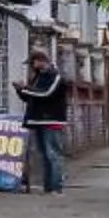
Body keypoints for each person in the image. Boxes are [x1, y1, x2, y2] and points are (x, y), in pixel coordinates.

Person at [14, 51, 72, 193]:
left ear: (40, 61)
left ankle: (56, 187)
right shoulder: (37, 77)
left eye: (32, 63)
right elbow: (31, 97)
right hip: (37, 120)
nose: (31, 67)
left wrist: (26, 89)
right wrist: (20, 91)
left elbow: (46, 94)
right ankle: (48, 187)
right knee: (45, 155)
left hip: (52, 120)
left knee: (53, 155)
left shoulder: (56, 77)